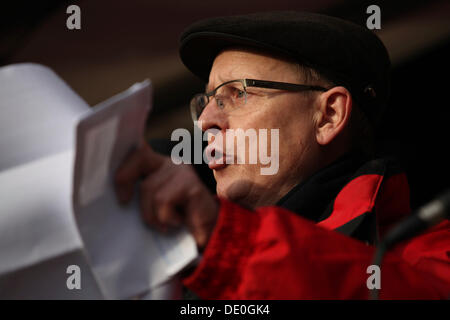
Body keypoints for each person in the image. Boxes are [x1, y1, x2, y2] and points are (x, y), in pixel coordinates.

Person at [114, 11, 450, 299]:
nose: (204, 123)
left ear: (328, 116)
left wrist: (226, 239)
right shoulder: (179, 274)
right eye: (205, 102)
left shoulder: (427, 254)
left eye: (237, 94)